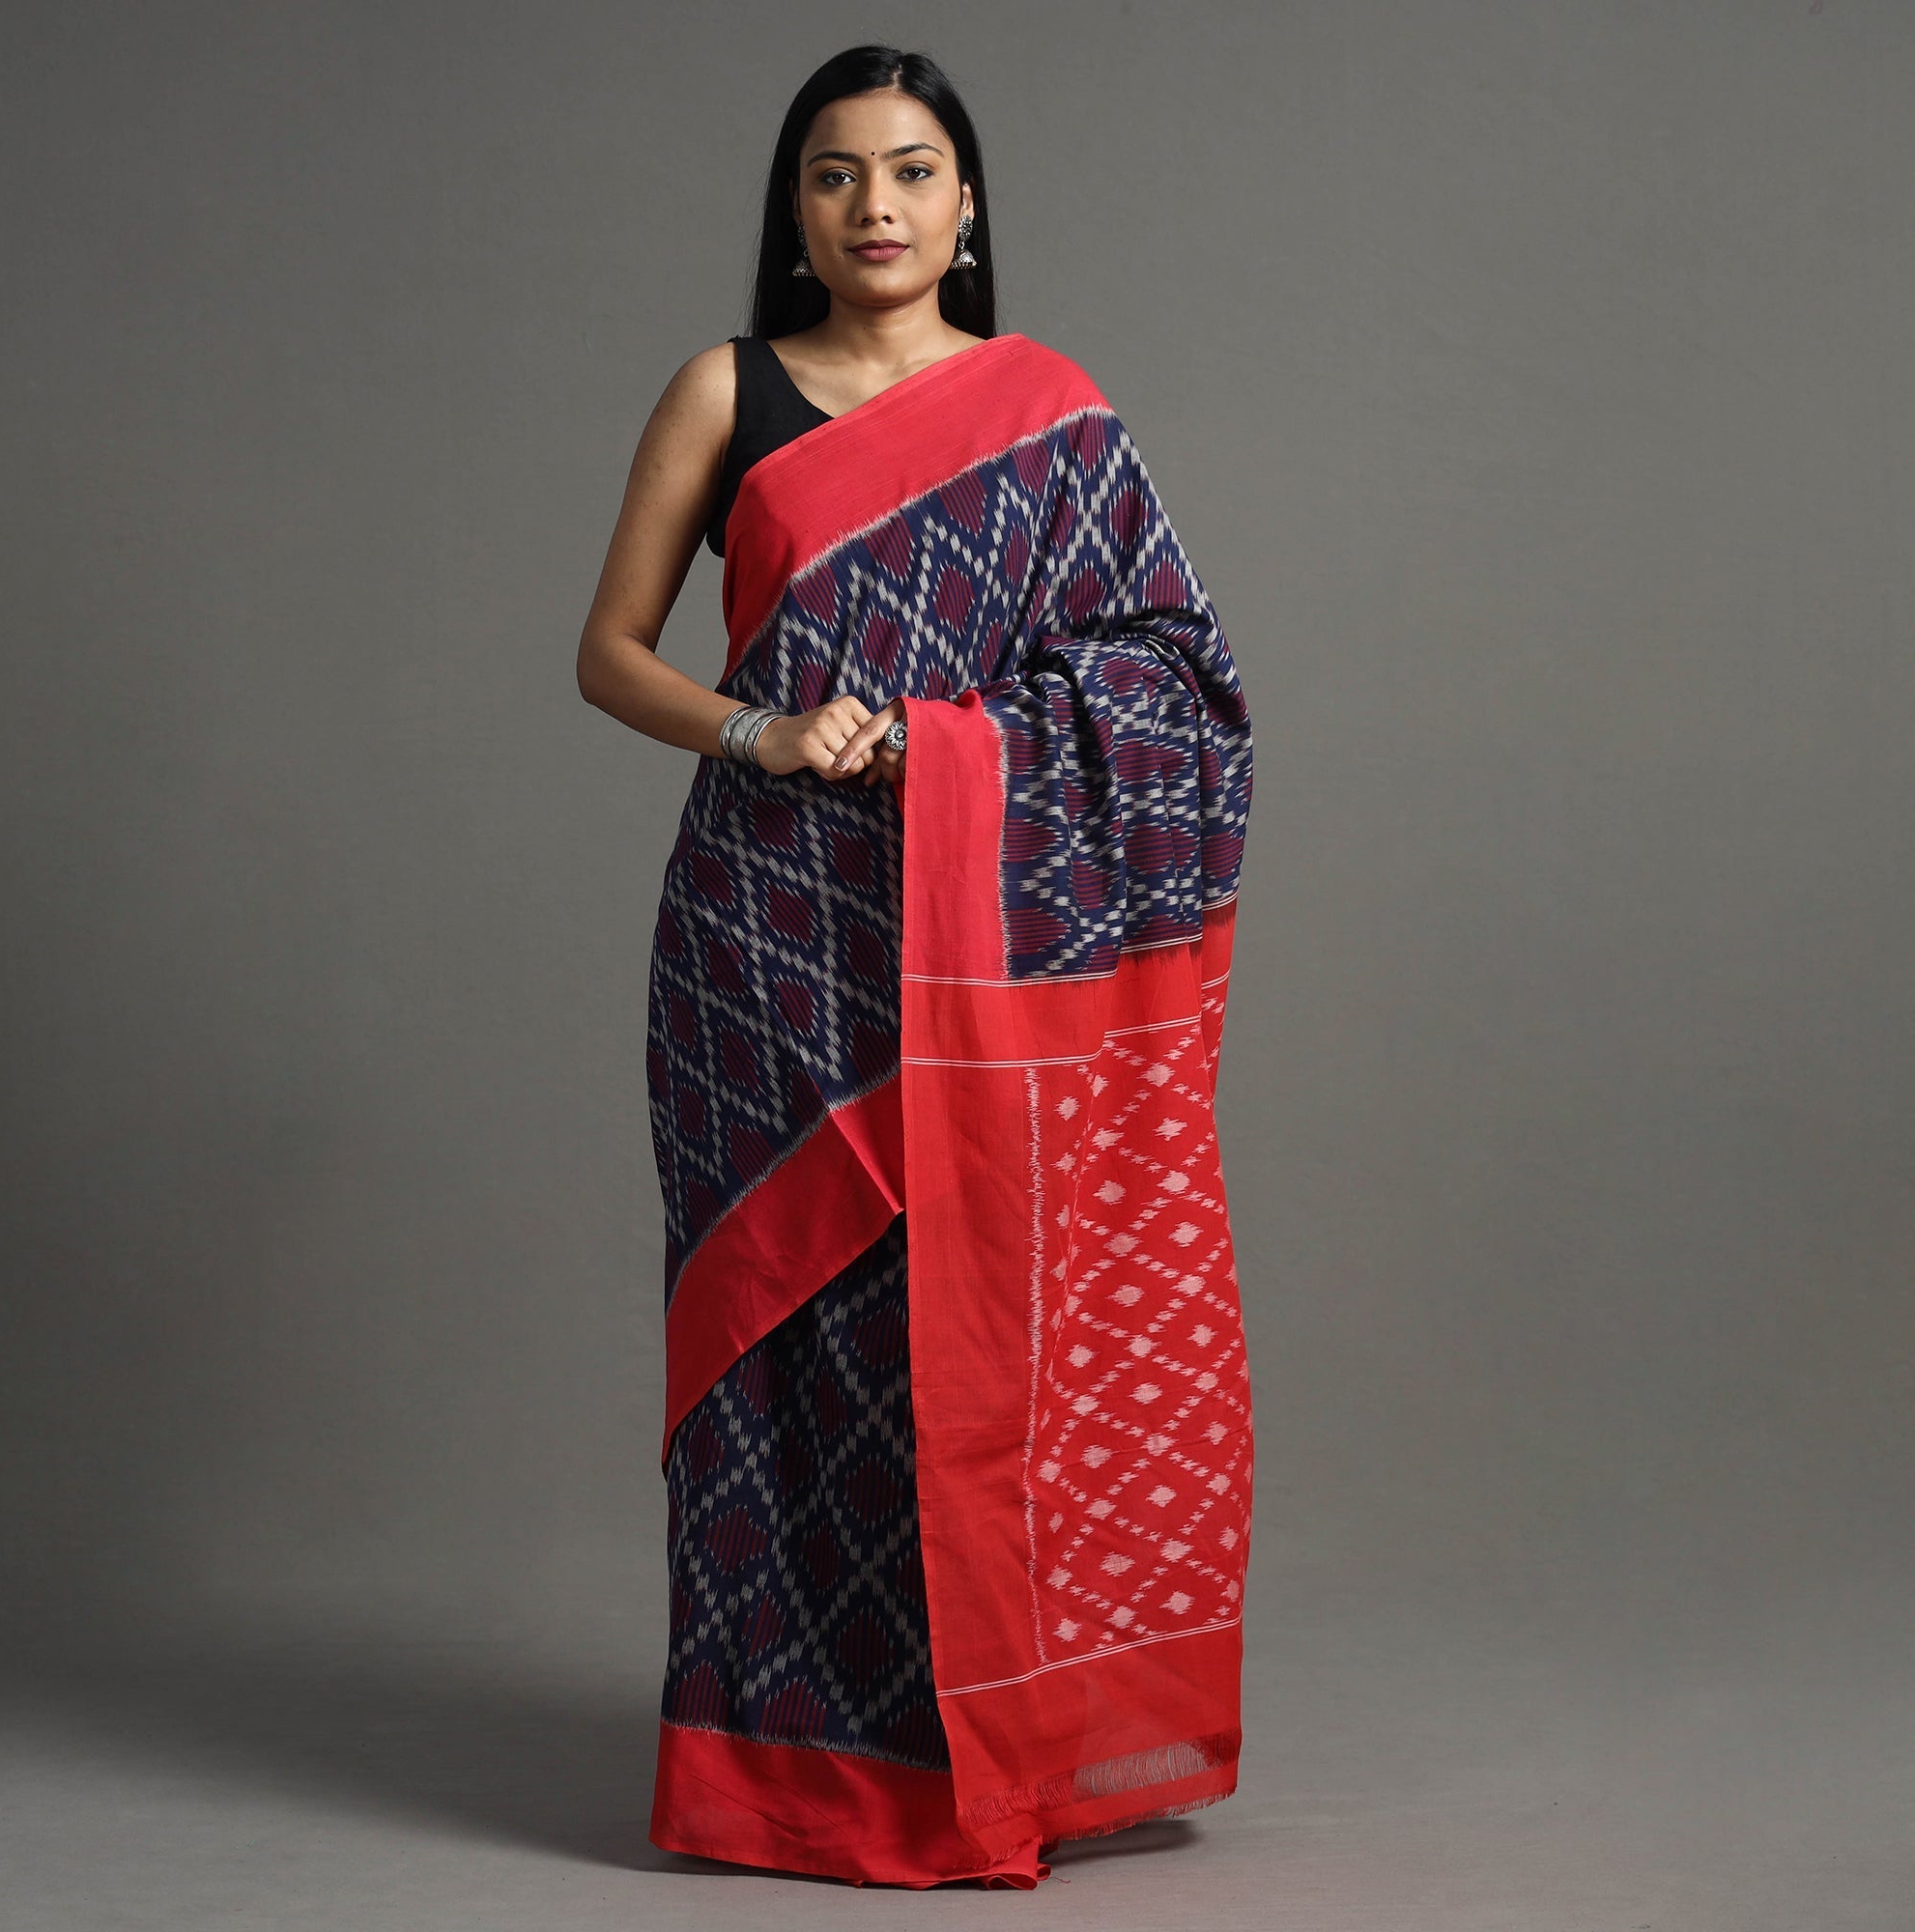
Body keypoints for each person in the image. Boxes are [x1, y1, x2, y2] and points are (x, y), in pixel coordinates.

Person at [576, 43, 1256, 1889]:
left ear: (966, 210)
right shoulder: (728, 392)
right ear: (793, 210)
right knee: (787, 1342)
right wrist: (764, 733)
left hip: (985, 945)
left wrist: (961, 750)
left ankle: (988, 1757)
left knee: (967, 1341)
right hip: (767, 943)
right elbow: (610, 652)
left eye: (909, 171)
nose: (871, 205)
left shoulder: (1050, 415)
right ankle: (779, 1775)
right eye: (832, 174)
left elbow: (1182, 692)